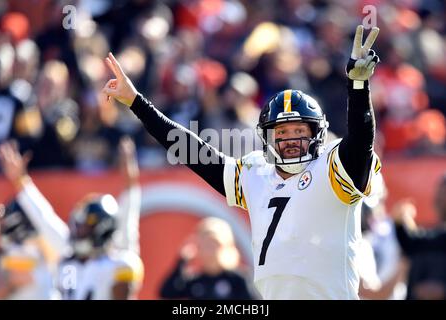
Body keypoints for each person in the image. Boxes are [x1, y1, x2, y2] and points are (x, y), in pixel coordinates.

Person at [103, 25, 382, 299]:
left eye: (299, 131)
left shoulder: (331, 169)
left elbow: (360, 141)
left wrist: (358, 87)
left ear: (316, 135)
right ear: (267, 138)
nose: (290, 139)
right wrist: (137, 102)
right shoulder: (256, 173)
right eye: (282, 132)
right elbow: (193, 152)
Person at [0, 138, 144, 299]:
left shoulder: (118, 262)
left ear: (102, 229)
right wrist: (21, 181)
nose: (78, 230)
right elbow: (45, 218)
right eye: (78, 225)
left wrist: (131, 184)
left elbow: (129, 219)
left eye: (85, 226)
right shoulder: (69, 256)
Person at [160, 217, 257, 300]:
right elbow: (166, 293)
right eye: (205, 245)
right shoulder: (194, 280)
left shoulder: (238, 279)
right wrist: (181, 262)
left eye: (213, 244)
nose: (210, 250)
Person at [393, 174, 446, 300]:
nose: (437, 199)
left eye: (442, 194)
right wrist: (402, 221)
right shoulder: (436, 237)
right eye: (438, 194)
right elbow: (412, 244)